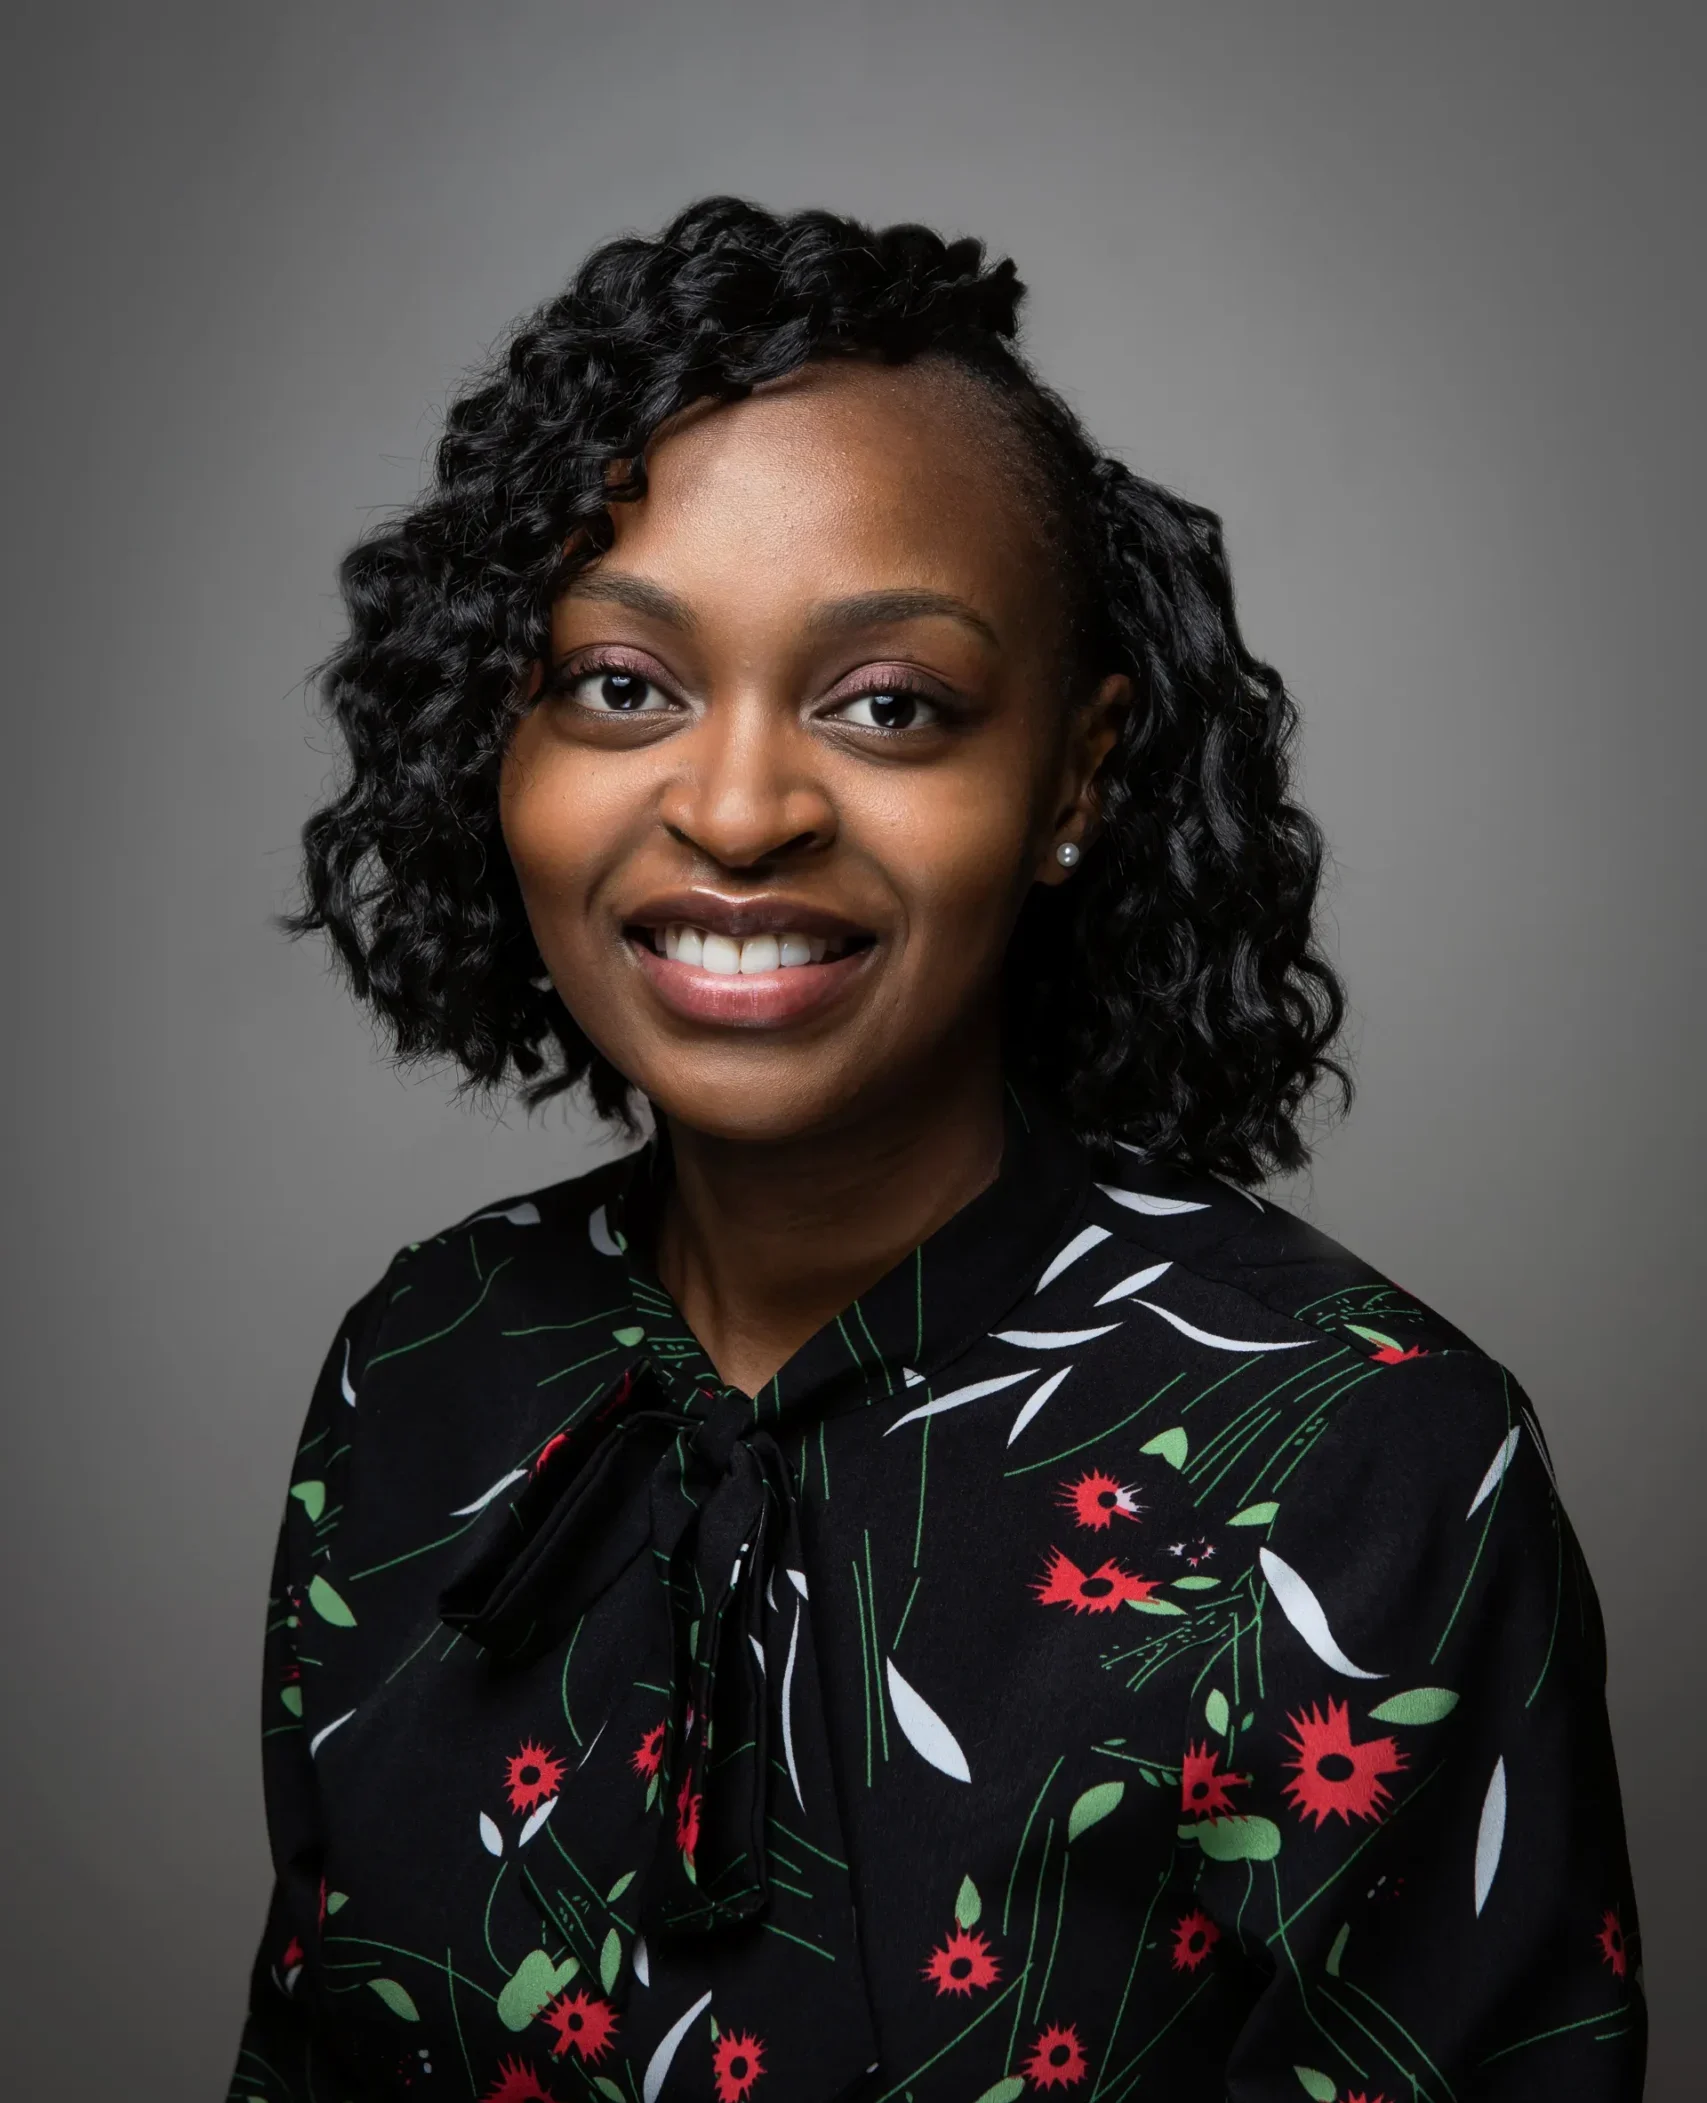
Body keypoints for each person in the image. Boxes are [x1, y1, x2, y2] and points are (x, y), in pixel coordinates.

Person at [229, 197, 1644, 2103]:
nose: (735, 809)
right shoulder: (421, 1368)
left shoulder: (1365, 1468)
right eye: (621, 685)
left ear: (1070, 776)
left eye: (888, 704)